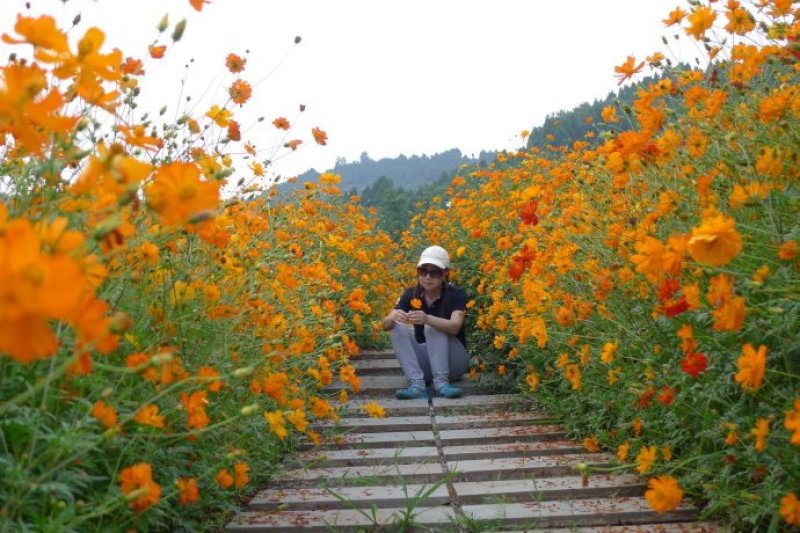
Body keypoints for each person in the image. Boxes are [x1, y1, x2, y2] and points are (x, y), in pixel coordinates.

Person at [382, 245, 469, 399]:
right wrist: (394, 317)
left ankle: (442, 385)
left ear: (445, 274)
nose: (428, 277)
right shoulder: (411, 294)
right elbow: (385, 325)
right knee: (396, 327)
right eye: (423, 271)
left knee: (432, 327)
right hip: (427, 365)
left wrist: (428, 319)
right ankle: (416, 385)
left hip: (455, 363)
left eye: (434, 272)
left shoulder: (457, 294)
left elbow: (455, 327)